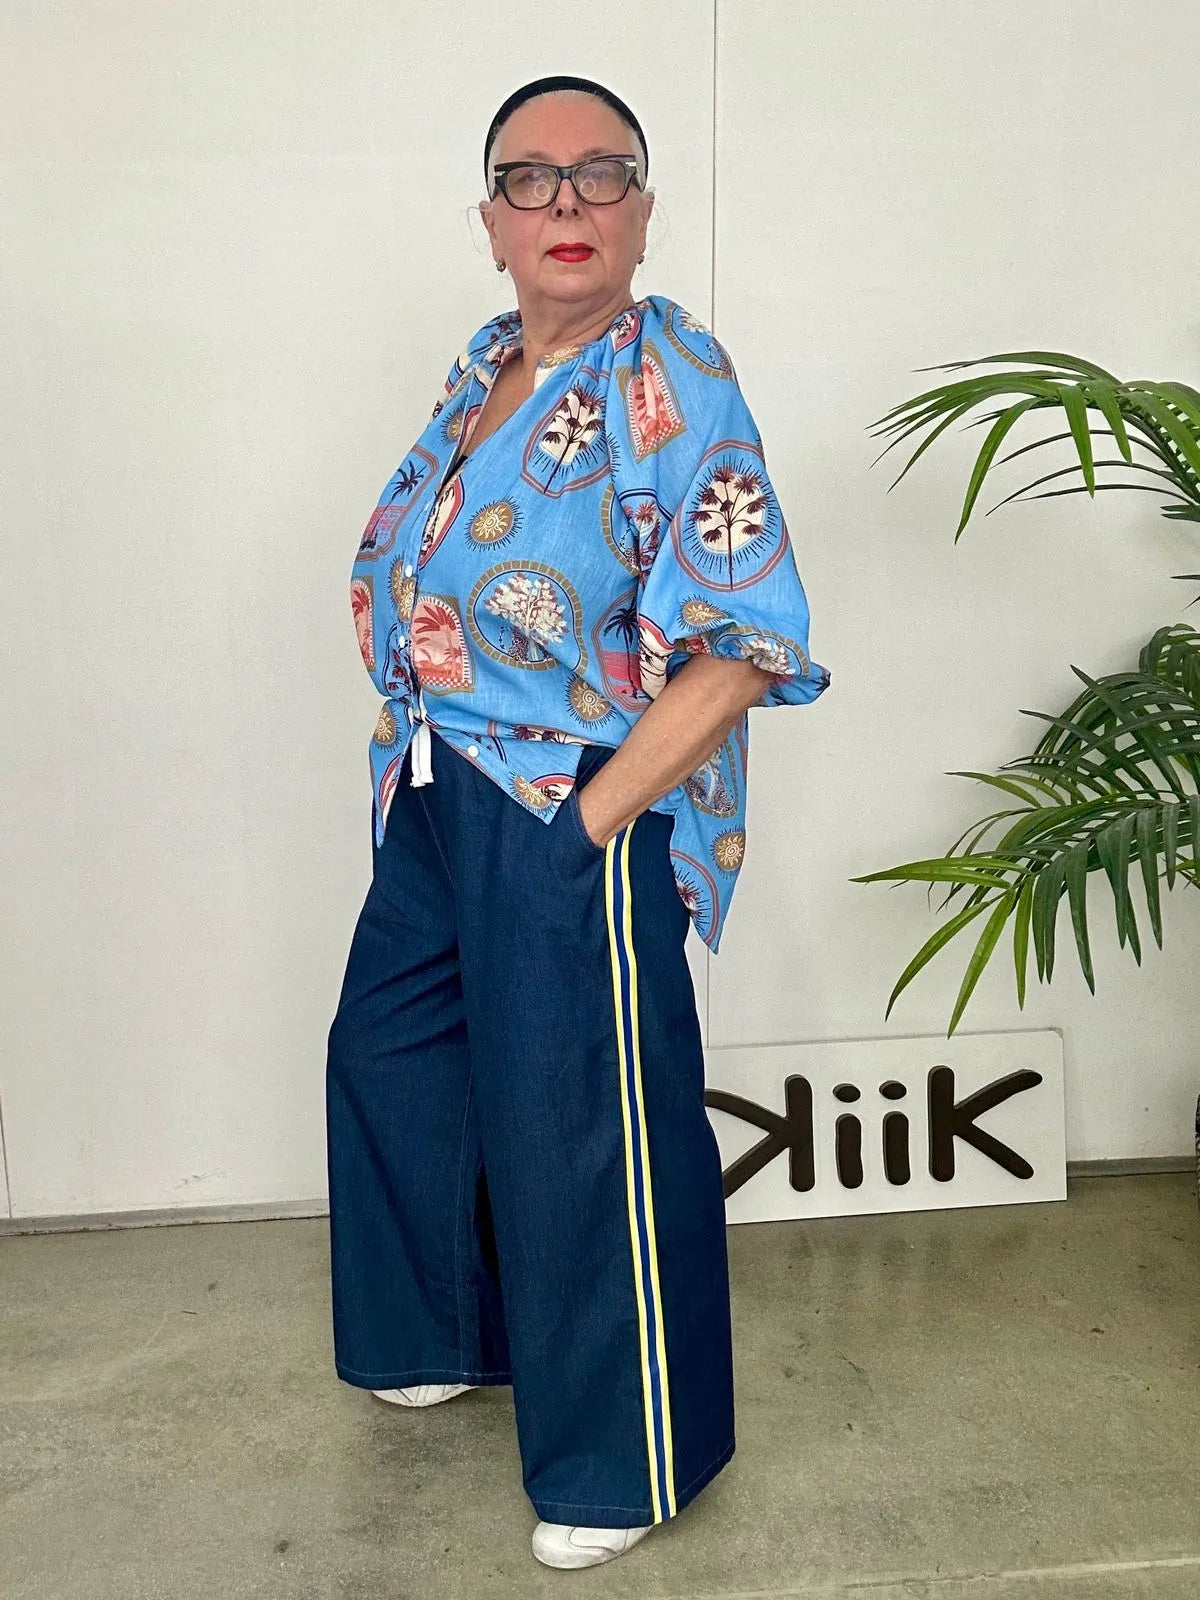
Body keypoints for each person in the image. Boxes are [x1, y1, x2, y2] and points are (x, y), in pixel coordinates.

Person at [325, 73, 831, 1573]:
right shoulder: (486, 367)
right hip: (438, 783)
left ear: (644, 213)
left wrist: (598, 821)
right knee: (396, 1055)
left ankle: (633, 1456)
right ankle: (456, 1329)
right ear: (489, 221)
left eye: (601, 174)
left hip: (574, 796)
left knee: (580, 1124)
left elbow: (744, 640)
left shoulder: (672, 376)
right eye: (531, 179)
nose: (567, 202)